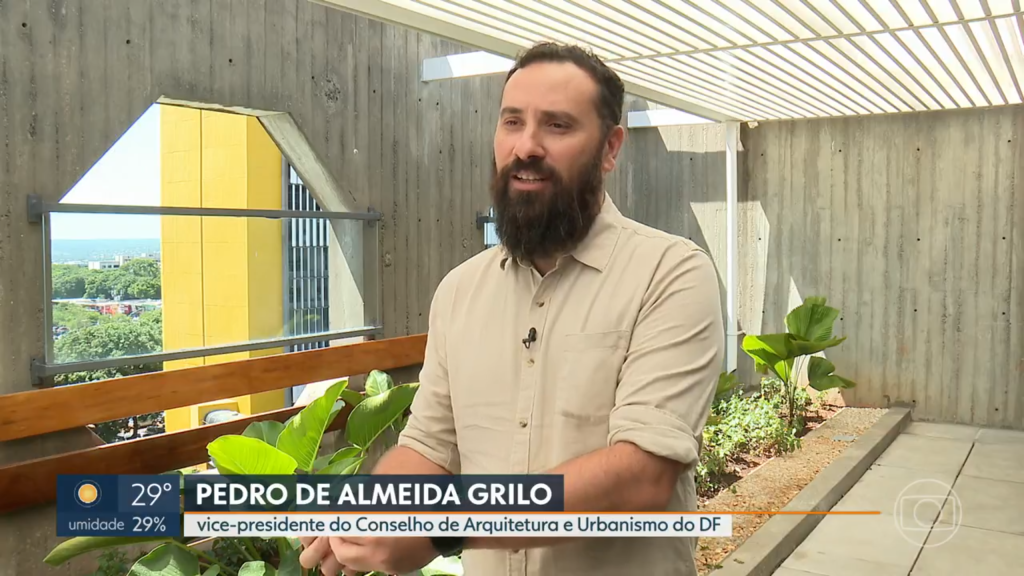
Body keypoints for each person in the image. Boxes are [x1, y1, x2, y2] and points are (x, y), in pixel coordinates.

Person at [300, 41, 725, 576]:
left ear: (610, 147)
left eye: (558, 125)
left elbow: (641, 475)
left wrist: (443, 527)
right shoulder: (459, 291)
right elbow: (428, 448)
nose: (526, 146)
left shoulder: (670, 274)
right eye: (512, 122)